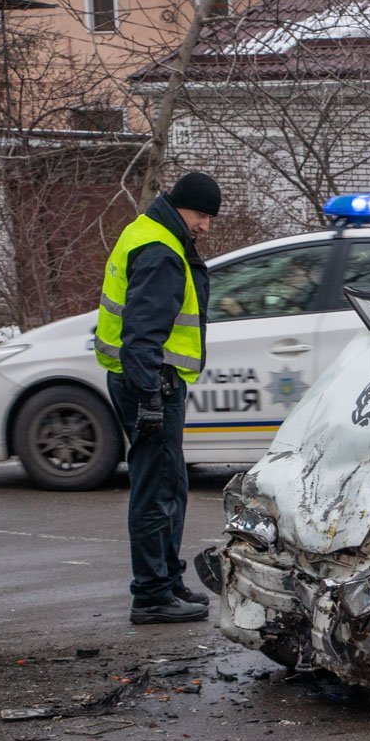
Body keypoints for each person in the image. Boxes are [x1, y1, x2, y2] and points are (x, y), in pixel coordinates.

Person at [94, 172, 220, 624]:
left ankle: (167, 580)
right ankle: (151, 594)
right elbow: (141, 335)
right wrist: (149, 397)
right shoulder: (161, 251)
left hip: (145, 380)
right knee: (157, 490)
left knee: (171, 484)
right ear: (180, 205)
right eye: (201, 215)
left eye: (209, 218)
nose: (205, 226)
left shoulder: (146, 231)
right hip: (151, 383)